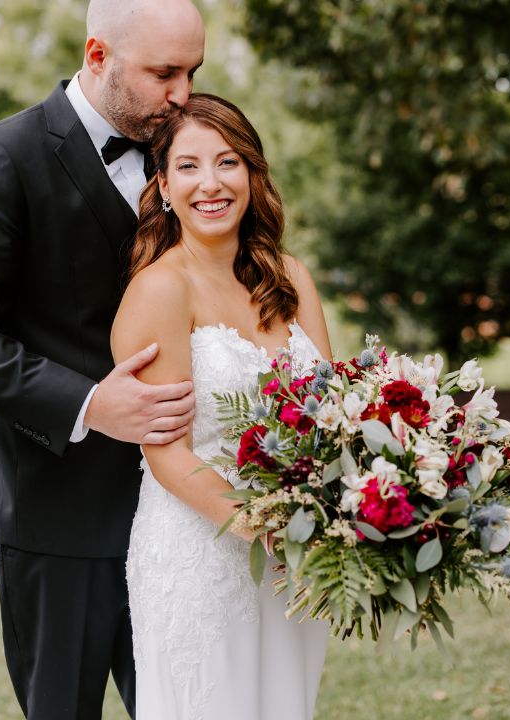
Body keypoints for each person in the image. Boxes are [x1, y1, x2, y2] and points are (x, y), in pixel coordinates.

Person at [0, 0, 205, 720]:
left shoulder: (187, 157)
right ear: (98, 54)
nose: (181, 94)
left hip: (179, 514)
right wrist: (88, 404)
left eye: (192, 74)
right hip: (55, 518)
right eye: (164, 73)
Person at [112, 93, 331, 720]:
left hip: (295, 559)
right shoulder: (159, 289)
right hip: (201, 554)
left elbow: (334, 414)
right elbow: (166, 454)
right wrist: (264, 526)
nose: (210, 183)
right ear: (162, 184)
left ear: (252, 174)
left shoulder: (289, 277)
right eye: (188, 166)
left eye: (228, 162)